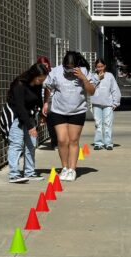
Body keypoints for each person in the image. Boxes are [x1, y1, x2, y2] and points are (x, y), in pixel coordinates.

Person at [42, 51, 96, 181]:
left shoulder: (84, 71)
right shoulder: (56, 71)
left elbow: (92, 91)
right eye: (67, 67)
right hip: (58, 110)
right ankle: (64, 168)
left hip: (77, 111)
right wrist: (45, 103)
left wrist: (83, 78)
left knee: (73, 140)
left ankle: (72, 169)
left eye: (72, 67)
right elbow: (47, 87)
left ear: (77, 65)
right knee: (62, 140)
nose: (69, 70)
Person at [6, 63, 49, 183]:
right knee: (16, 144)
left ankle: (29, 172)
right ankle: (14, 174)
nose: (41, 82)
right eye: (40, 79)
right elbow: (19, 107)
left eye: (43, 80)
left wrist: (42, 114)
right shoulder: (19, 84)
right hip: (16, 118)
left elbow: (38, 100)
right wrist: (30, 127)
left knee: (31, 145)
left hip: (29, 116)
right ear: (33, 75)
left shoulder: (37, 85)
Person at [91, 58, 121, 150]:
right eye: (98, 67)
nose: (100, 68)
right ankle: (98, 143)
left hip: (108, 104)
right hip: (96, 104)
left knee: (107, 124)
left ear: (104, 66)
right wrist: (98, 78)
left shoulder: (110, 76)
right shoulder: (92, 76)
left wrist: (115, 102)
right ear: (95, 67)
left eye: (101, 66)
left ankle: (108, 143)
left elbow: (115, 89)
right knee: (98, 124)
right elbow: (90, 88)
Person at [37, 56, 57, 149]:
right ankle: (54, 141)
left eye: (46, 65)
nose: (45, 67)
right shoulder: (37, 73)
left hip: (54, 99)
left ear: (48, 64)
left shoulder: (53, 72)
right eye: (42, 65)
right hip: (43, 100)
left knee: (55, 120)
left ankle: (57, 141)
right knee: (50, 122)